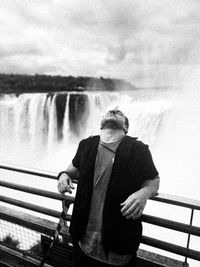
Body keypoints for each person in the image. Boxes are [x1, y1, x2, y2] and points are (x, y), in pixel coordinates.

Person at [57, 108, 160, 267]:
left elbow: (153, 180)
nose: (114, 111)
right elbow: (71, 170)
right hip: (83, 244)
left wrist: (142, 194)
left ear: (125, 128)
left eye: (120, 114)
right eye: (110, 112)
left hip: (118, 250)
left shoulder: (138, 149)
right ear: (101, 125)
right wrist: (63, 175)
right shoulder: (86, 145)